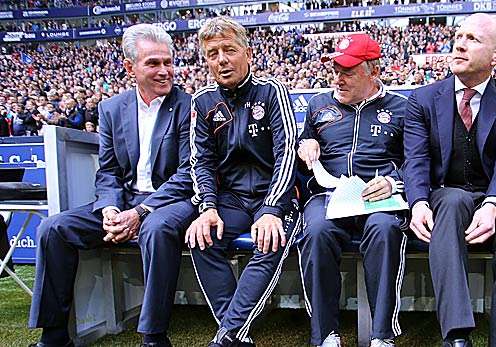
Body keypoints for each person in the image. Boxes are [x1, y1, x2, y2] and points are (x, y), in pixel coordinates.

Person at [28, 24, 195, 347]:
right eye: (153, 63)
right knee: (53, 228)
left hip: (171, 202)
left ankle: (153, 335)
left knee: (155, 228)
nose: (165, 71)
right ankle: (54, 335)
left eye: (168, 62)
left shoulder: (190, 106)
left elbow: (188, 174)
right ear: (129, 66)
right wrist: (110, 209)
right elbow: (108, 172)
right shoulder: (111, 109)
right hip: (126, 201)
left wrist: (141, 211)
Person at [403, 13, 496, 347]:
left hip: (495, 199)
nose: (459, 44)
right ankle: (457, 336)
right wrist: (418, 202)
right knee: (452, 200)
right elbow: (416, 160)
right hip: (446, 198)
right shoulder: (422, 99)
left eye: (473, 39)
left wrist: (493, 205)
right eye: (459, 36)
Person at [186, 17, 300, 347]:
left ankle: (227, 335)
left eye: (229, 50)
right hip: (231, 198)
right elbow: (201, 161)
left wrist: (271, 208)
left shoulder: (272, 91)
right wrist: (207, 207)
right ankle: (234, 332)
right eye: (212, 53)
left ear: (247, 53)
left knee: (269, 238)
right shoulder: (203, 102)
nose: (221, 59)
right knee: (200, 237)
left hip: (274, 195)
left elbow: (287, 154)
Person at [296, 33, 408, 347]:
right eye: (336, 71)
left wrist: (393, 181)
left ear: (374, 72)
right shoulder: (319, 104)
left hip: (380, 196)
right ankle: (325, 335)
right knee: (316, 231)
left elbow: (417, 161)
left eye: (348, 72)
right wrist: (305, 146)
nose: (338, 79)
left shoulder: (401, 108)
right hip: (328, 196)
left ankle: (382, 336)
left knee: (385, 229)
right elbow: (301, 148)